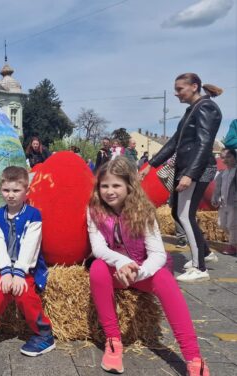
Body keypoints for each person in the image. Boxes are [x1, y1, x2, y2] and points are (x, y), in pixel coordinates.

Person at [88, 157, 209, 376]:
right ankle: (113, 341)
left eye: (116, 185)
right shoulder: (94, 210)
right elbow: (98, 247)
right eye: (104, 186)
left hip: (144, 270)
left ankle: (193, 357)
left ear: (129, 186)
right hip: (117, 271)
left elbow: (158, 254)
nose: (109, 191)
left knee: (164, 279)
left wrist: (138, 271)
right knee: (97, 268)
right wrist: (122, 262)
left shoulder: (144, 211)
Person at [140, 73, 223, 282]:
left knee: (184, 215)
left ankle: (199, 268)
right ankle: (204, 253)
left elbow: (204, 144)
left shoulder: (206, 108)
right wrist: (150, 165)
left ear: (194, 87)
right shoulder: (192, 110)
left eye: (180, 89)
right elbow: (174, 143)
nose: (177, 94)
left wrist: (189, 174)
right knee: (178, 213)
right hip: (188, 168)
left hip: (197, 169)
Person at [0, 166, 54, 357]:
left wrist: (18, 272)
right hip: (4, 266)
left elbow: (30, 245)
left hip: (27, 267)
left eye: (16, 190)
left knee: (24, 293)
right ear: (0, 189)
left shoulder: (33, 215)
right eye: (6, 190)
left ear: (26, 191)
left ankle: (44, 334)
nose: (10, 195)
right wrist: (6, 271)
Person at [211, 148, 237, 255]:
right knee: (221, 224)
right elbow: (217, 188)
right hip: (223, 203)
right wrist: (215, 198)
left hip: (234, 204)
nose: (225, 160)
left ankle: (233, 246)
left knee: (232, 225)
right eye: (223, 158)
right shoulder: (222, 173)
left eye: (228, 157)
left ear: (235, 158)